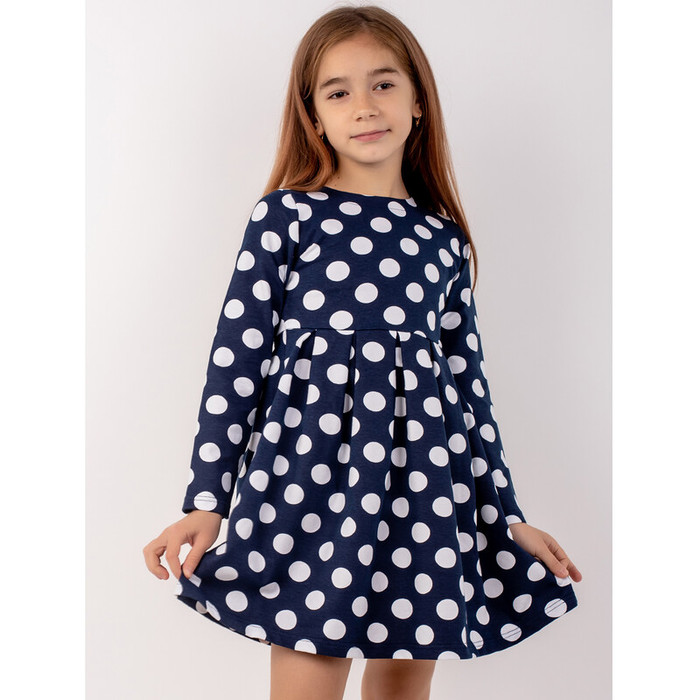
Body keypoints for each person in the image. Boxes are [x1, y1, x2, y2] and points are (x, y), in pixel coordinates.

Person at [143, 5, 583, 699]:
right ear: (314, 116)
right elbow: (235, 365)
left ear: (417, 101)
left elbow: (468, 390)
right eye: (338, 92)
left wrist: (505, 515)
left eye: (383, 84)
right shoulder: (287, 217)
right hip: (306, 492)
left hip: (426, 493)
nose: (364, 106)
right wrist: (206, 501)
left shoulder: (441, 240)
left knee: (403, 686)